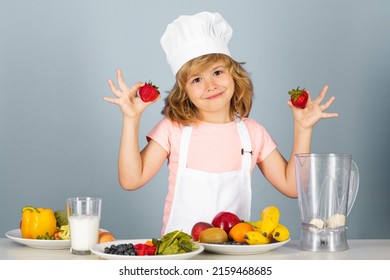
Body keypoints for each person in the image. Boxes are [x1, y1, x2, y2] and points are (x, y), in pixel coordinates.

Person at [104, 11, 338, 236]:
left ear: (234, 75)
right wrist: (131, 119)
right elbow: (131, 180)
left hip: (235, 254)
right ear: (184, 91)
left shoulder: (253, 133)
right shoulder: (172, 129)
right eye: (197, 79)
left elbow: (293, 187)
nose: (210, 85)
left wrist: (303, 129)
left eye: (217, 72)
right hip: (181, 256)